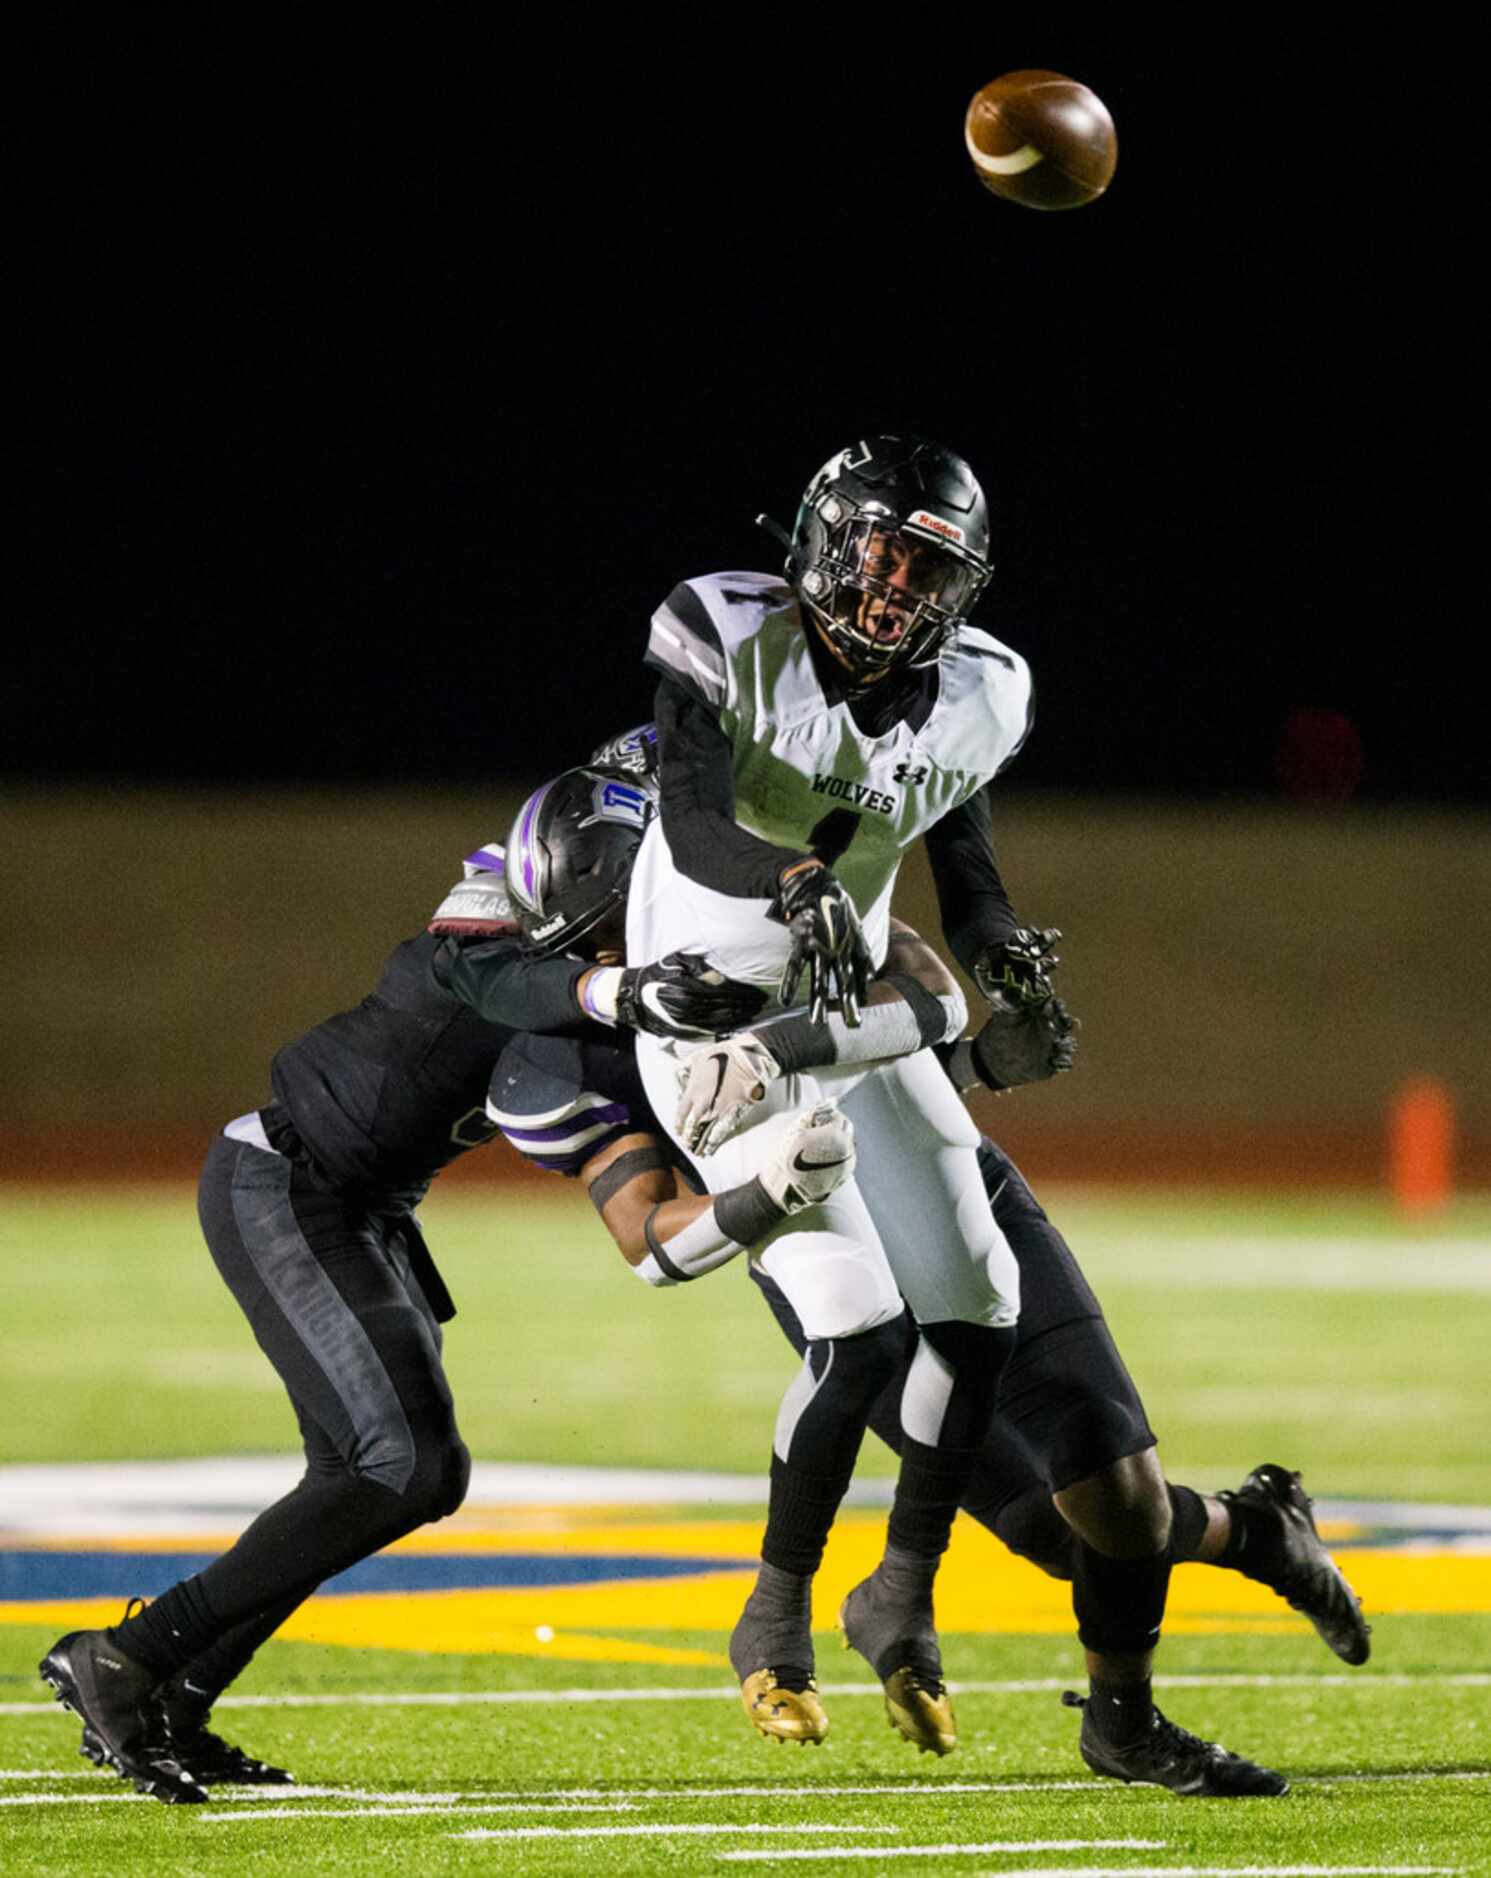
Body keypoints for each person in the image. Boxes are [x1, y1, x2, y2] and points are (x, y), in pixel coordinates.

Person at [621, 434, 1332, 1796]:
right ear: (823, 540)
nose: (894, 585)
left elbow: (958, 851)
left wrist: (1000, 958)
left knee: (980, 1296)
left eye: (925, 565)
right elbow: (695, 810)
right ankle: (773, 1607)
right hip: (721, 1036)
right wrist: (788, 878)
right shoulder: (722, 630)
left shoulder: (978, 689)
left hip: (858, 1023)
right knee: (855, 1319)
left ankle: (899, 1583)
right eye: (880, 551)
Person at [36, 761, 775, 1806]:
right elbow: (497, 979)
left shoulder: (583, 916)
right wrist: (618, 989)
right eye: (625, 920)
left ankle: (175, 1692)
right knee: (399, 1467)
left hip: (358, 1204)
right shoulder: (486, 943)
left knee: (389, 1472)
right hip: (285, 1182)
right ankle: (127, 1658)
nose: (640, 939)